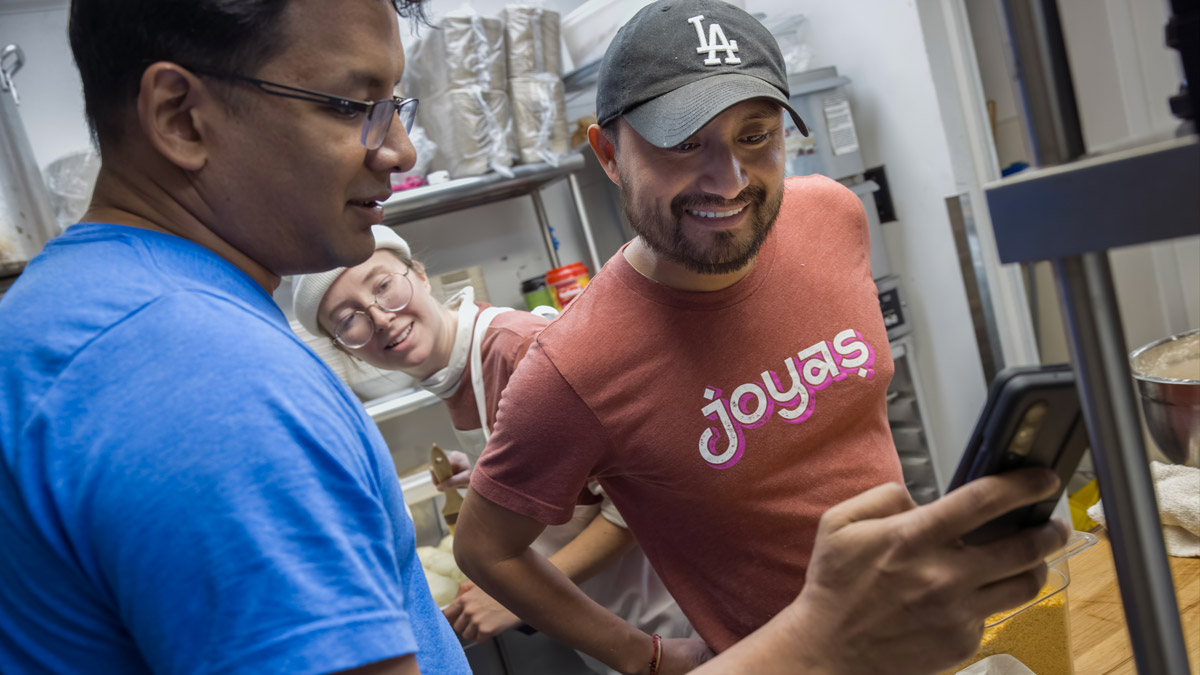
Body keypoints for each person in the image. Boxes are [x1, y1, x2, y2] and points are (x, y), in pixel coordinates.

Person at [452, 1, 1071, 674]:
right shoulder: (572, 368)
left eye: (755, 135)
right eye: (685, 143)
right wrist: (644, 657)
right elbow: (487, 548)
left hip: (926, 639)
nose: (730, 181)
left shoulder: (832, 215)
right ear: (607, 153)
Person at [0, 1, 470, 673]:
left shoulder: (80, 308)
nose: (400, 148)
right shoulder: (202, 378)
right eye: (350, 105)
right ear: (180, 118)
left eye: (397, 105)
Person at [290, 225, 694, 672]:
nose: (380, 318)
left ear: (420, 275)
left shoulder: (519, 352)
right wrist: (487, 472)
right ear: (344, 349)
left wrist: (517, 598)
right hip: (624, 634)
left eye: (383, 286)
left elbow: (636, 508)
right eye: (348, 320)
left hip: (677, 626)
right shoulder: (455, 371)